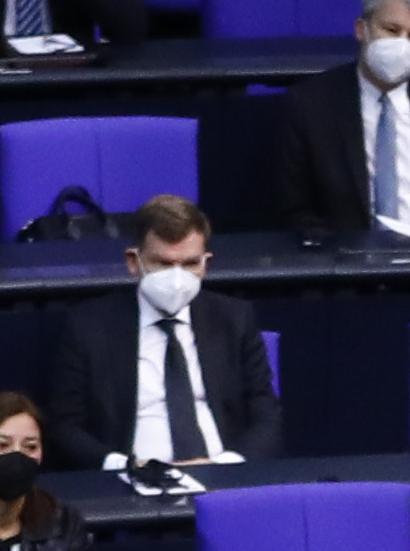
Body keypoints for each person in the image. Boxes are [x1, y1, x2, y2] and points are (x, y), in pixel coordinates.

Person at [41, 199, 272, 475]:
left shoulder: (235, 318)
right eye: (163, 264)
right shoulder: (88, 326)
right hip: (130, 481)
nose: (177, 278)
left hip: (220, 475)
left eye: (189, 264)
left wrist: (227, 465)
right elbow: (65, 426)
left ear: (205, 263)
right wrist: (122, 466)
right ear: (133, 261)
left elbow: (267, 414)